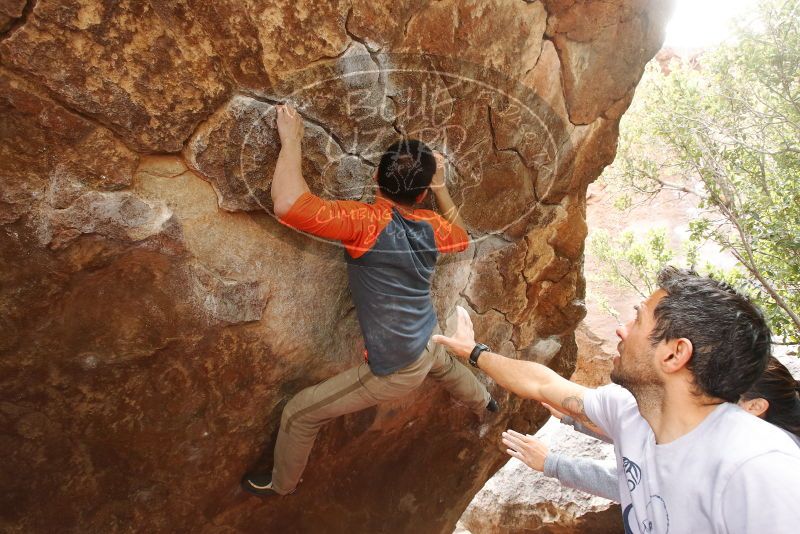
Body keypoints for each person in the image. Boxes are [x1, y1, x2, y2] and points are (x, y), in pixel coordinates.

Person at [241, 104, 496, 497]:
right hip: (428, 333)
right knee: (440, 363)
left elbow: (288, 203)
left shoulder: (365, 224)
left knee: (300, 413)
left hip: (396, 366)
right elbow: (461, 236)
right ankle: (485, 403)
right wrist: (442, 187)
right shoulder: (433, 227)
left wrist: (291, 139)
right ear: (424, 193)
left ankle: (281, 485)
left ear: (376, 176)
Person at [433, 267, 800, 533]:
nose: (621, 329)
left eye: (637, 320)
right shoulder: (630, 412)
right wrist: (473, 352)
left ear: (674, 355)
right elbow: (542, 383)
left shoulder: (757, 467)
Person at [505, 356, 800, 503]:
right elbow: (656, 435)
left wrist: (554, 463)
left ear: (755, 406)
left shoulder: (760, 464)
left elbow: (643, 486)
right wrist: (578, 419)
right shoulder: (749, 435)